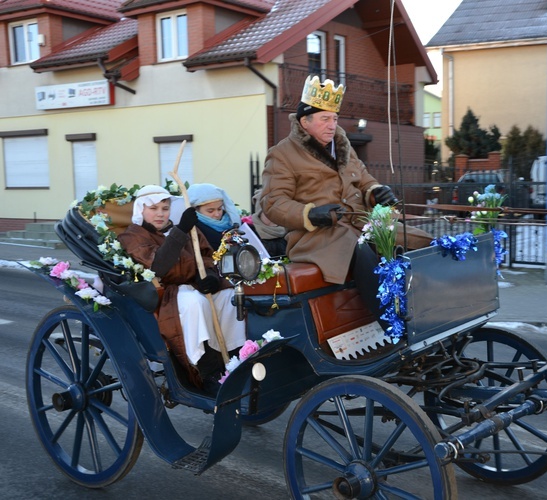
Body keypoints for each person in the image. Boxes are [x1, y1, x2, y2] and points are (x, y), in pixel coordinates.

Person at [259, 75, 433, 319]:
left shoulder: (344, 147)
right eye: (324, 119)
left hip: (360, 225)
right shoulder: (282, 154)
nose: (332, 125)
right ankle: (390, 318)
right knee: (361, 250)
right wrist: (310, 214)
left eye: (334, 118)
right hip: (317, 237)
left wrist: (376, 192)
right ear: (304, 121)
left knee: (419, 239)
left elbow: (364, 179)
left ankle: (430, 301)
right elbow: (272, 202)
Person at [118, 185, 246, 394]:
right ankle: (206, 370)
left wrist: (210, 277)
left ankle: (234, 360)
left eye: (165, 208)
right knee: (195, 303)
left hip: (193, 285)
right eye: (153, 208)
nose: (160, 213)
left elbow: (207, 258)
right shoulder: (133, 236)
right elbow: (159, 266)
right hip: (166, 293)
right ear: (141, 209)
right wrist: (180, 231)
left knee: (230, 296)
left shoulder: (185, 231)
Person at [187, 183, 242, 250]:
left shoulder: (231, 223)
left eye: (219, 209)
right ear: (196, 210)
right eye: (210, 211)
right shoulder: (193, 230)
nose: (217, 214)